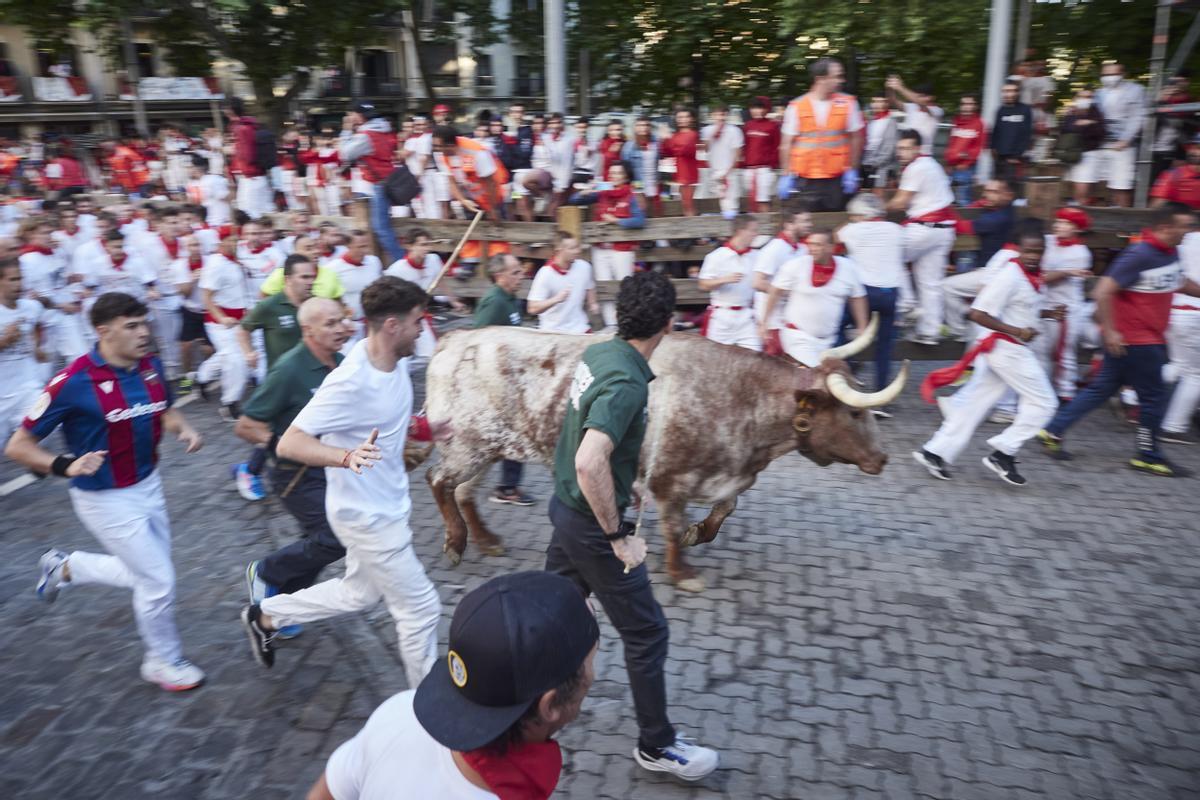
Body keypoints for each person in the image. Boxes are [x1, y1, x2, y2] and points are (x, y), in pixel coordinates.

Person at [545, 270, 719, 781]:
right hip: (588, 527)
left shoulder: (601, 352)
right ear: (668, 323)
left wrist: (622, 484)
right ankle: (656, 744)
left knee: (552, 616)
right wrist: (618, 534)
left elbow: (578, 428)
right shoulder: (625, 380)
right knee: (646, 632)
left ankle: (519, 704)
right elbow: (588, 459)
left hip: (565, 510)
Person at [240, 277, 449, 686]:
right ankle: (428, 717)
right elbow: (291, 443)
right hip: (365, 516)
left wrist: (423, 429)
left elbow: (386, 418)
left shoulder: (394, 361)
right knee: (421, 607)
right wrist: (345, 457)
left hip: (386, 505)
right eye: (416, 322)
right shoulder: (349, 380)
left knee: (359, 593)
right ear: (391, 326)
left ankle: (265, 616)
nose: (421, 329)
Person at [5, 291, 206, 691]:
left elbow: (164, 406)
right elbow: (17, 446)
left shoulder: (148, 366)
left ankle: (67, 567)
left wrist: (183, 426)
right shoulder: (73, 381)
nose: (144, 332)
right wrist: (65, 465)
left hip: (149, 484)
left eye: (144, 323)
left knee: (147, 573)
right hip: (104, 498)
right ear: (103, 331)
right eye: (132, 326)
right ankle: (163, 661)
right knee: (158, 580)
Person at [306, 571, 599, 800]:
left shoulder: (399, 711)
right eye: (590, 661)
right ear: (549, 705)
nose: (593, 675)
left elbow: (324, 793)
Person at [1038, 204, 1200, 476]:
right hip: (1136, 338)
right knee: (1153, 398)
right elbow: (1103, 292)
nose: (1190, 231)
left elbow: (1178, 281)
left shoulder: (1169, 252)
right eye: (1185, 226)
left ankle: (1052, 431)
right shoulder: (1139, 254)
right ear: (1165, 227)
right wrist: (1111, 331)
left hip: (1138, 337)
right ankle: (1148, 454)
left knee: (1100, 389)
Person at [238, 298, 350, 640]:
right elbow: (245, 425)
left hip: (331, 470)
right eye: (330, 323)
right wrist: (285, 446)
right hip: (295, 476)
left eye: (341, 321)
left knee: (316, 542)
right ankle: (266, 571)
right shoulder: (289, 369)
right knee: (337, 537)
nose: (340, 328)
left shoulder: (343, 364)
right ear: (308, 330)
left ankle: (280, 608)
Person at [913, 231, 1061, 487]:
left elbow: (1023, 308)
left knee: (972, 405)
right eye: (1028, 251)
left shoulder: (1033, 276)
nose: (1033, 257)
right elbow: (977, 313)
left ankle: (934, 452)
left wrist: (1048, 313)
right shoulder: (1010, 275)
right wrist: (1017, 331)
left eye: (1038, 251)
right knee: (1046, 403)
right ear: (1018, 249)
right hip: (1008, 350)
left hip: (1006, 350)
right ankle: (1004, 452)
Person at [232, 253, 317, 500]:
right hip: (280, 384)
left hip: (310, 379)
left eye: (312, 276)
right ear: (288, 279)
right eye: (304, 277)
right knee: (280, 431)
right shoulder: (270, 306)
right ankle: (250, 471)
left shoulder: (314, 305)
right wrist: (249, 353)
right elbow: (242, 329)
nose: (310, 281)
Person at [472, 253, 536, 506]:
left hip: (511, 380)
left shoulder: (510, 299)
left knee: (513, 435)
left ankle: (507, 485)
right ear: (499, 276)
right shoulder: (494, 302)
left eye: (520, 271)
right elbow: (478, 341)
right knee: (514, 435)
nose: (521, 276)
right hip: (497, 383)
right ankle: (505, 487)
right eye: (515, 272)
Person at [760, 228, 868, 367]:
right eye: (810, 244)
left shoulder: (847, 268)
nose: (812, 248)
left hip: (829, 340)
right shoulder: (796, 265)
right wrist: (764, 323)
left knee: (821, 381)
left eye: (818, 245)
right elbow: (775, 291)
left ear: (831, 248)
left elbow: (858, 297)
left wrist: (862, 328)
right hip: (798, 336)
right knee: (815, 377)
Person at [838, 193, 908, 405]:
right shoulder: (897, 230)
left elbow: (836, 238)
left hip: (865, 292)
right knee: (884, 346)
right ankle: (882, 396)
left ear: (860, 214)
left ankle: (847, 369)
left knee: (836, 328)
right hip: (890, 292)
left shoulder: (851, 230)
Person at [889, 129, 957, 345]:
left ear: (917, 148)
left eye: (907, 148)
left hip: (924, 228)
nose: (902, 152)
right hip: (943, 230)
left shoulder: (916, 168)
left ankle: (907, 302)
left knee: (888, 253)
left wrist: (872, 209)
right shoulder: (931, 164)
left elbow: (900, 202)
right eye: (900, 148)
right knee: (930, 283)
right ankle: (930, 332)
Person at [780, 57, 864, 211]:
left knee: (836, 223)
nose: (842, 80)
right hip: (806, 179)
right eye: (837, 76)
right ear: (820, 79)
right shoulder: (797, 106)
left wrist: (852, 169)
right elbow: (786, 144)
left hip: (837, 178)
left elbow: (856, 138)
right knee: (808, 225)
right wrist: (786, 175)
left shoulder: (848, 103)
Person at [569, 162, 645, 329]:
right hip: (600, 248)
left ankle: (625, 322)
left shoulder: (632, 196)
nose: (614, 176)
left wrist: (617, 221)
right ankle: (611, 324)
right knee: (604, 285)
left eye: (619, 173)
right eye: (612, 173)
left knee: (624, 285)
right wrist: (585, 192)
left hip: (621, 249)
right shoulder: (602, 193)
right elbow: (573, 200)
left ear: (625, 176)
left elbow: (640, 220)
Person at [198, 230, 254, 420]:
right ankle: (230, 402)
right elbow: (206, 297)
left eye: (236, 240)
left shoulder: (235, 260)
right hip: (221, 323)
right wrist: (221, 318)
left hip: (240, 319)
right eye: (230, 240)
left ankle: (202, 377)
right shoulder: (215, 264)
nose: (235, 244)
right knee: (236, 360)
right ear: (221, 242)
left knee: (227, 357)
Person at [1039, 208, 1094, 401]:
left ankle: (1066, 393)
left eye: (1066, 223)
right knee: (1046, 350)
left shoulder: (1080, 253)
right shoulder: (1048, 240)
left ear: (1077, 229)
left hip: (1066, 310)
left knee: (1063, 352)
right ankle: (1050, 389)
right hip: (1047, 306)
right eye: (1059, 221)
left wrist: (1065, 272)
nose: (1059, 226)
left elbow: (1045, 277)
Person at [339, 102, 405, 263]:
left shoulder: (366, 135)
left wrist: (346, 130)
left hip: (379, 183)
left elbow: (344, 154)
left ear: (359, 116)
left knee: (380, 228)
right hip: (384, 180)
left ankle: (401, 262)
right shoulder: (382, 129)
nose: (350, 117)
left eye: (352, 114)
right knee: (380, 225)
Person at [698, 214, 761, 350]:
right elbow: (702, 284)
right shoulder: (717, 256)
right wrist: (724, 280)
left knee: (755, 358)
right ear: (740, 231)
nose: (756, 234)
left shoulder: (757, 256)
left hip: (746, 315)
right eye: (753, 230)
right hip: (722, 316)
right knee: (716, 359)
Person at [753, 207, 810, 356]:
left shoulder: (803, 248)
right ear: (788, 225)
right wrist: (787, 292)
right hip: (773, 319)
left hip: (791, 315)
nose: (809, 225)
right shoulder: (774, 248)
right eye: (804, 221)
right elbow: (758, 282)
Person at [1161, 226, 1200, 443]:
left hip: (1174, 309)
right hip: (1196, 313)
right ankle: (1174, 427)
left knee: (1178, 365)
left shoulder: (1185, 239)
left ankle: (1132, 394)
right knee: (1196, 374)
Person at [0, 258, 46, 439]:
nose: (19, 284)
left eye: (20, 278)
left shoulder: (32, 307)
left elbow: (37, 325)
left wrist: (37, 346)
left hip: (28, 387)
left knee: (41, 433)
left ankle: (39, 466)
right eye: (12, 280)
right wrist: (5, 341)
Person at [383, 228, 441, 363]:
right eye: (422, 245)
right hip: (401, 319)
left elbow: (440, 278)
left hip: (420, 317)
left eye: (428, 244)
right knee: (401, 358)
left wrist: (454, 301)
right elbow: (387, 298)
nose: (427, 249)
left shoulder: (433, 260)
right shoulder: (396, 270)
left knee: (430, 355)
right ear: (410, 246)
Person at [1096, 62, 1146, 208]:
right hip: (1102, 142)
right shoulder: (1099, 93)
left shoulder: (1136, 90)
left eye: (1112, 74)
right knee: (1105, 182)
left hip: (1123, 144)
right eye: (1105, 74)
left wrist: (1126, 139)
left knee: (1122, 184)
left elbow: (1138, 116)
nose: (1108, 77)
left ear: (1122, 74)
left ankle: (1124, 221)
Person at [526, 231, 598, 334]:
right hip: (553, 331)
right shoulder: (545, 274)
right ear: (559, 250)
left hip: (580, 327)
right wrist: (556, 299)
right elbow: (532, 308)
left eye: (577, 247)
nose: (577, 251)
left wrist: (593, 303)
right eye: (572, 248)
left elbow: (589, 285)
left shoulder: (584, 266)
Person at [327, 230, 383, 348]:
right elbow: (328, 297)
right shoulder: (333, 268)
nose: (365, 251)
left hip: (374, 321)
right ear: (348, 246)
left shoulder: (374, 261)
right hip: (350, 325)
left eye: (366, 246)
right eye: (360, 247)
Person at [1060, 88, 1107, 206]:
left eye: (1089, 97)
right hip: (1072, 155)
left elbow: (1101, 133)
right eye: (1082, 97)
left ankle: (1082, 212)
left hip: (1089, 154)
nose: (1085, 99)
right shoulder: (1070, 114)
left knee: (1083, 190)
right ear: (1075, 99)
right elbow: (1065, 130)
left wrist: (1089, 123)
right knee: (1075, 189)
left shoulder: (1096, 114)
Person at [227, 98, 270, 219]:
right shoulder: (251, 125)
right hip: (258, 175)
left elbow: (248, 154)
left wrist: (234, 151)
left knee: (249, 214)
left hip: (250, 177)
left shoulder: (241, 128)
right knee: (262, 212)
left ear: (230, 110)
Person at [700, 105, 744, 218]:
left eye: (723, 114)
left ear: (727, 115)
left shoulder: (735, 131)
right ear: (712, 116)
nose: (720, 117)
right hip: (713, 171)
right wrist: (712, 135)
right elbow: (702, 151)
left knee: (731, 203)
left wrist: (728, 172)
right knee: (716, 202)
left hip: (730, 171)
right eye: (717, 114)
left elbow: (738, 154)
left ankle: (731, 227)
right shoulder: (706, 130)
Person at [944, 95, 986, 206]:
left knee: (964, 200)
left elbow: (978, 147)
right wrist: (948, 162)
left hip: (965, 168)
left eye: (969, 104)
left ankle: (967, 223)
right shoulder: (956, 121)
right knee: (947, 200)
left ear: (975, 106)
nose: (966, 107)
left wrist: (966, 163)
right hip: (952, 167)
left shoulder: (979, 123)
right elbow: (951, 142)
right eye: (963, 104)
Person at [886, 76, 943, 156]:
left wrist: (900, 87)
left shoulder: (937, 111)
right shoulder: (911, 106)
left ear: (932, 97)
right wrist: (890, 89)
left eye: (922, 96)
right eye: (918, 95)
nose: (918, 98)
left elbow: (920, 103)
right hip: (906, 152)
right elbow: (893, 102)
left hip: (923, 154)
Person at [742, 96, 781, 212]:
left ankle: (766, 229)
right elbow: (743, 146)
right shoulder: (747, 126)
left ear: (766, 109)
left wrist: (772, 165)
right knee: (751, 202)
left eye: (760, 108)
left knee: (763, 201)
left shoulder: (772, 126)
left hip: (764, 170)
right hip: (749, 170)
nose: (757, 111)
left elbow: (777, 147)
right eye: (754, 108)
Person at [990, 82, 1033, 186]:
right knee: (997, 186)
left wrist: (1017, 156)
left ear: (1018, 93)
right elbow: (996, 131)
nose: (1010, 94)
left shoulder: (1025, 110)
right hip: (999, 158)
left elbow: (1027, 134)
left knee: (1011, 188)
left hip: (1015, 158)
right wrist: (992, 148)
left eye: (1013, 91)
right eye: (1006, 91)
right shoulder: (1000, 110)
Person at [663, 109, 699, 215]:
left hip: (688, 173)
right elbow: (667, 152)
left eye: (685, 117)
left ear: (691, 119)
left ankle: (693, 227)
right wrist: (665, 139)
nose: (682, 120)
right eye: (680, 117)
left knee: (688, 203)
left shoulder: (693, 134)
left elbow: (683, 150)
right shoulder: (675, 135)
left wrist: (669, 141)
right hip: (677, 173)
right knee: (683, 203)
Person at [1150, 134, 1200, 211]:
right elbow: (1156, 206)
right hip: (1180, 220)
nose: (1193, 151)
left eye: (1198, 148)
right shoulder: (1173, 174)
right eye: (1191, 147)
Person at [862, 94, 898, 195]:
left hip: (881, 165)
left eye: (880, 101)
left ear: (887, 103)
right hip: (866, 163)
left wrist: (875, 163)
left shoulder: (890, 122)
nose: (876, 104)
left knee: (878, 193)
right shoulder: (871, 121)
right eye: (874, 101)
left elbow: (889, 148)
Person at [185, 154, 231, 227]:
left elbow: (227, 198)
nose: (187, 170)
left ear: (196, 168)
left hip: (218, 222)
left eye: (190, 167)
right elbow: (191, 204)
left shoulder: (214, 180)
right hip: (203, 223)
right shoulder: (191, 183)